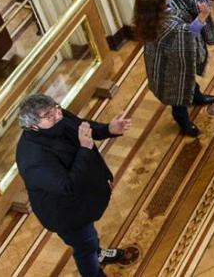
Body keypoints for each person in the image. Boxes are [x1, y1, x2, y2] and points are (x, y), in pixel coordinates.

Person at [15, 94, 138, 276]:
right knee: (85, 247)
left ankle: (99, 253)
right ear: (32, 126)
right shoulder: (32, 157)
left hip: (83, 195)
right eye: (49, 115)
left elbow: (82, 127)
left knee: (90, 238)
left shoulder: (57, 116)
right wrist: (85, 148)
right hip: (66, 213)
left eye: (57, 108)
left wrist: (108, 130)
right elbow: (68, 185)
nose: (58, 115)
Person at [132, 0, 214, 137]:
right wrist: (202, 16)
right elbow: (188, 34)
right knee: (177, 94)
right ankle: (183, 121)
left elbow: (191, 1)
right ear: (159, 4)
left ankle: (196, 96)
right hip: (169, 66)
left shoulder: (170, 4)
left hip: (179, 58)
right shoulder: (161, 25)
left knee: (189, 79)